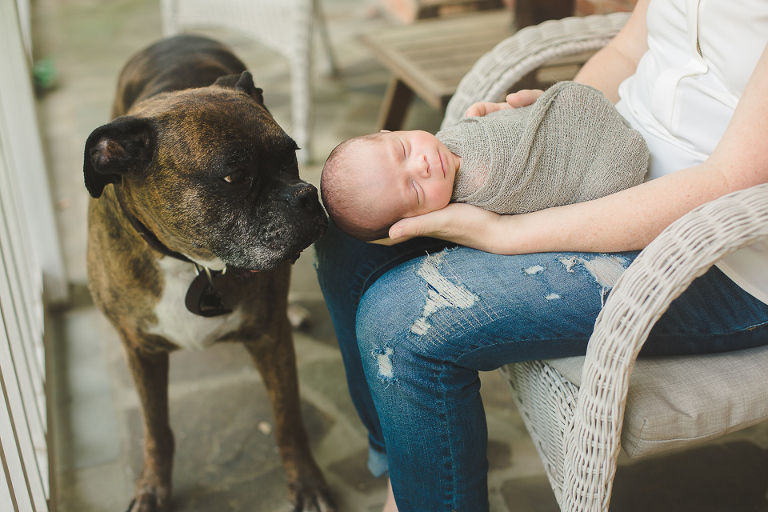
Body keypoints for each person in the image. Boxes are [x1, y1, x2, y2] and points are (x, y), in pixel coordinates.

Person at [314, 1, 768, 511]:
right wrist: (549, 125)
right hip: (601, 157)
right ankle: (408, 463)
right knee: (346, 239)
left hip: (719, 247)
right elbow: (627, 48)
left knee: (402, 319)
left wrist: (507, 232)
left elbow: (729, 181)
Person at [321, 81, 648, 241]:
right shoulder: (480, 192)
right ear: (416, 220)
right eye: (415, 190)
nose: (422, 166)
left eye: (404, 150)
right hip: (607, 167)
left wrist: (526, 118)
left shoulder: (449, 140)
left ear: (391, 130)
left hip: (590, 125)